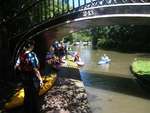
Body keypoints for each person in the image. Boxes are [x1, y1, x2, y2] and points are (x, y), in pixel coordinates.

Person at [15, 40, 43, 113]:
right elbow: (36, 68)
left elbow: (17, 66)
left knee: (27, 95)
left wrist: (23, 69)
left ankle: (26, 110)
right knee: (34, 96)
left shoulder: (21, 54)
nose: (33, 47)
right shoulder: (32, 54)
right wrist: (40, 79)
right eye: (33, 45)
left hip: (24, 78)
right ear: (31, 46)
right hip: (32, 78)